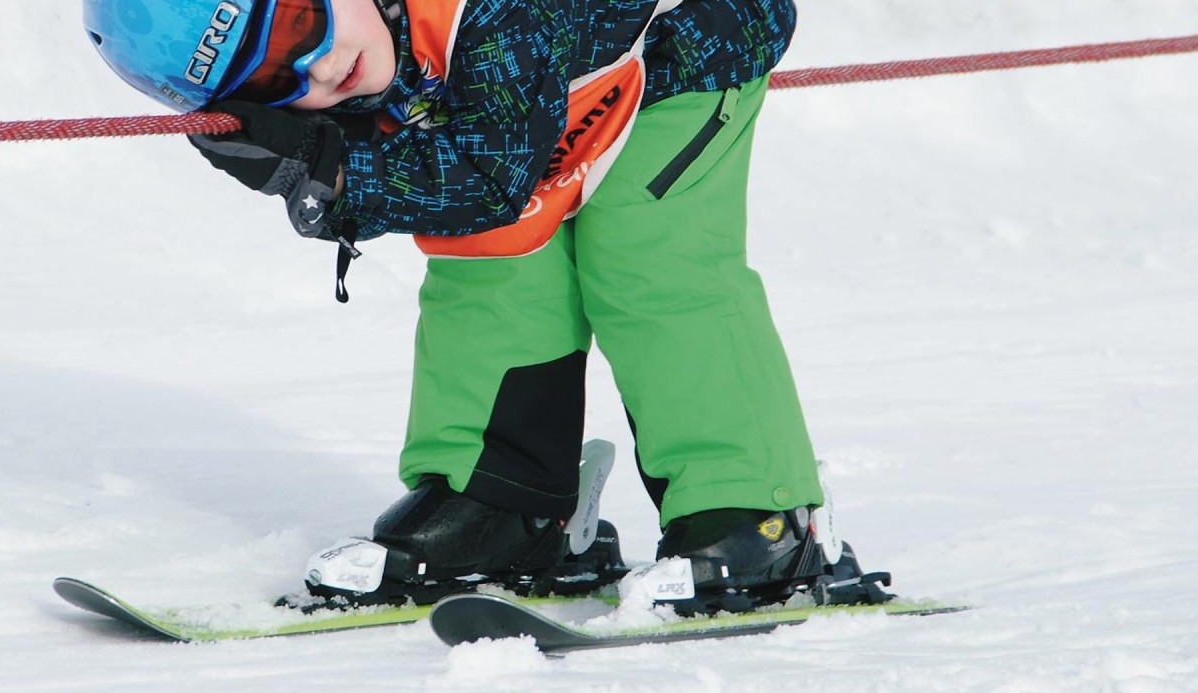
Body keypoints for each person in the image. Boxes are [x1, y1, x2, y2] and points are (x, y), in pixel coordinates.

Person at [83, 0, 888, 613]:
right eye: (267, 81)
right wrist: (310, 153)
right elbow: (481, 188)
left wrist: (328, 174)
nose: (318, 71)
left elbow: (485, 176)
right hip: (551, 96)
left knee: (648, 261)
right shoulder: (371, 37)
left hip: (680, 51)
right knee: (488, 264)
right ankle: (504, 505)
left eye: (299, 24)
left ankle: (756, 518)